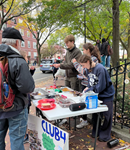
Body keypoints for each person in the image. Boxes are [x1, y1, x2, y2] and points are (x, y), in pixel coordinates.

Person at [0, 27, 35, 150]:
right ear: (16, 42)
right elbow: (27, 87)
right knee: (16, 140)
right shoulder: (18, 60)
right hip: (16, 108)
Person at [73, 54, 115, 142]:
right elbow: (90, 82)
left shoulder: (100, 69)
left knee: (107, 116)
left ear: (88, 62)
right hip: (96, 94)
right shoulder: (88, 70)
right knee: (95, 115)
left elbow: (101, 86)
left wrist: (90, 89)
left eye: (83, 65)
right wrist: (87, 88)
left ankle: (105, 135)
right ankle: (96, 132)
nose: (83, 67)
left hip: (106, 95)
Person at [53, 34, 82, 125]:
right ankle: (67, 114)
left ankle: (76, 116)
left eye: (67, 43)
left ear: (72, 42)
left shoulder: (77, 52)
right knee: (66, 95)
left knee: (74, 95)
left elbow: (72, 65)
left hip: (74, 77)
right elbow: (66, 62)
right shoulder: (68, 51)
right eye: (65, 43)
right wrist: (60, 64)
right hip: (67, 76)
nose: (66, 44)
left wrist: (60, 65)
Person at [72, 43, 101, 128]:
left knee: (90, 102)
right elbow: (85, 72)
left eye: (83, 50)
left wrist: (75, 63)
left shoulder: (93, 59)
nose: (83, 51)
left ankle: (93, 124)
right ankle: (84, 119)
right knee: (83, 101)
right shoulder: (89, 59)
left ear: (88, 50)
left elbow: (84, 71)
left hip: (90, 86)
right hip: (85, 83)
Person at [19, 50, 36, 143]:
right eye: (26, 57)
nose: (28, 59)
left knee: (25, 118)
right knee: (23, 119)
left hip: (24, 99)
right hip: (23, 99)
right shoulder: (22, 65)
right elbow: (27, 83)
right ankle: (25, 135)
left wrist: (32, 71)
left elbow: (28, 77)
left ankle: (25, 135)